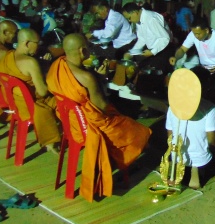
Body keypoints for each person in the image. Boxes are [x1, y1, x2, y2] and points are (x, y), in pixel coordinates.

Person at [46, 33, 152, 202]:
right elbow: (102, 106)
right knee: (138, 130)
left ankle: (119, 160)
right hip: (90, 126)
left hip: (71, 122)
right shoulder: (87, 78)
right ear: (82, 51)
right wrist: (100, 80)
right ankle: (121, 163)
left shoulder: (57, 65)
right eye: (88, 48)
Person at [1, 28, 61, 153]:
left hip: (16, 104)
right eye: (37, 43)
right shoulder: (30, 62)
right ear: (27, 43)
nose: (39, 47)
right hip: (31, 106)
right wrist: (46, 68)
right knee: (65, 98)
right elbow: (43, 92)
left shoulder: (9, 55)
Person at [165, 67, 215, 189]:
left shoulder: (173, 106)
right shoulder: (209, 108)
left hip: (177, 158)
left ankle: (180, 175)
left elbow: (170, 135)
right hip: (200, 160)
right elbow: (212, 139)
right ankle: (196, 175)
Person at [122, 2, 174, 74]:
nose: (129, 21)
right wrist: (132, 52)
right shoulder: (139, 20)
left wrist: (152, 52)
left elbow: (165, 38)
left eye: (129, 18)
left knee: (152, 73)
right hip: (153, 50)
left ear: (135, 12)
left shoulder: (151, 19)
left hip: (164, 49)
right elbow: (142, 39)